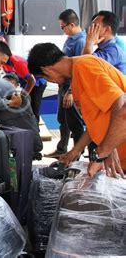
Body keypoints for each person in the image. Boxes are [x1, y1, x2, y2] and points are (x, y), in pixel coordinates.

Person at [28, 42, 126, 178]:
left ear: (47, 70)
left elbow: (120, 102)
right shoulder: (77, 78)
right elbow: (95, 123)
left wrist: (106, 150)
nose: (51, 81)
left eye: (45, 78)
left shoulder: (84, 66)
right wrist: (75, 151)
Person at [47, 9, 86, 158]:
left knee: (74, 122)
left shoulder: (81, 41)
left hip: (72, 87)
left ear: (71, 25)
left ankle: (78, 154)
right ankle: (62, 148)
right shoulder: (71, 38)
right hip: (63, 85)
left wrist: (71, 91)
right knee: (62, 119)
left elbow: (79, 70)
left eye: (62, 27)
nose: (62, 30)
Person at [2, 53, 46, 121]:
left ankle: (35, 128)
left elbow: (32, 81)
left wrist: (22, 97)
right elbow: (12, 77)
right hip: (25, 81)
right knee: (25, 105)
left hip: (37, 82)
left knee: (33, 106)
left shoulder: (17, 62)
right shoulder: (3, 63)